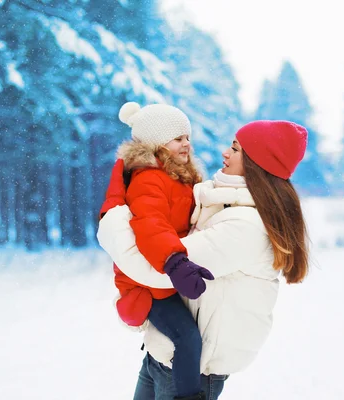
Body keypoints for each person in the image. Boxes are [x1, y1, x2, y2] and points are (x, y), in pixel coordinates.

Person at [98, 120, 310, 399]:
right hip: (163, 356)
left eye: (235, 149)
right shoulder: (219, 200)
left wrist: (112, 218)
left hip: (191, 374)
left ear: (256, 164)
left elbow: (157, 267)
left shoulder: (244, 225)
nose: (225, 153)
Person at [101, 102, 215, 400]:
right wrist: (176, 262)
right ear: (156, 143)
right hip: (146, 284)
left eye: (188, 137)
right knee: (187, 338)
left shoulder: (177, 176)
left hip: (160, 274)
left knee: (163, 351)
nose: (186, 143)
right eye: (178, 138)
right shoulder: (149, 178)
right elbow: (151, 225)